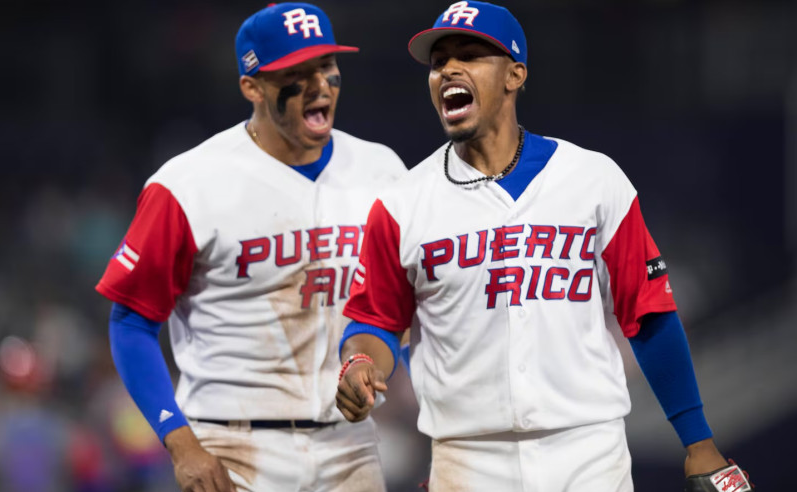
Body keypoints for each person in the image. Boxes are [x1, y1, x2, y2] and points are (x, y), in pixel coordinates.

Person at [335, 2, 753, 491]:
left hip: (588, 456)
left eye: (469, 55)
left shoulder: (593, 180)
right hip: (468, 462)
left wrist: (698, 441)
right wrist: (360, 362)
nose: (448, 69)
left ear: (515, 75)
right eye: (438, 61)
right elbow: (375, 321)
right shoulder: (402, 204)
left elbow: (650, 315)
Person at [95, 3, 406, 491]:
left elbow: (398, 306)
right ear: (252, 86)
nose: (319, 85)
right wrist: (180, 443)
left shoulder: (382, 171)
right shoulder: (188, 184)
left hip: (350, 444)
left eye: (326, 65)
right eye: (296, 74)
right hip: (232, 445)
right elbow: (131, 322)